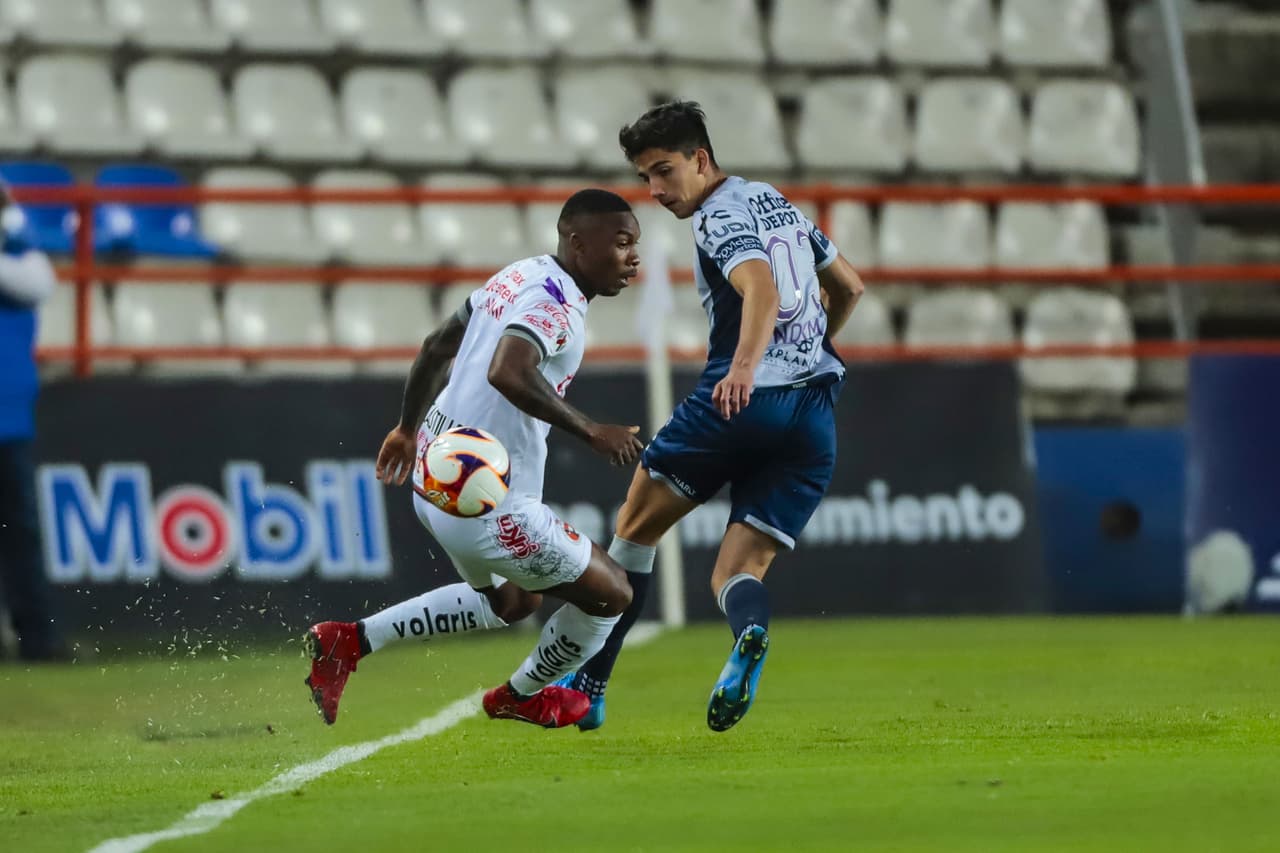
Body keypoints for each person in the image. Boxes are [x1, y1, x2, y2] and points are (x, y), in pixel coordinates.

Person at [559, 101, 866, 732]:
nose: (656, 190)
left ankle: (590, 686)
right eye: (646, 177)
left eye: (665, 171)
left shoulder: (720, 216)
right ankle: (749, 633)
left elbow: (762, 287)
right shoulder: (776, 202)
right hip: (814, 414)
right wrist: (808, 350)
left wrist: (749, 367)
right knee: (737, 572)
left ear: (702, 159)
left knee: (633, 531)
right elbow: (851, 286)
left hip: (741, 403)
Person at [304, 189, 645, 729]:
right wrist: (591, 431)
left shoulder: (519, 274)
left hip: (438, 475)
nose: (634, 258)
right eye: (623, 243)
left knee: (513, 603)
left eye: (636, 245)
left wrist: (407, 427)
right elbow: (507, 371)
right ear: (579, 244)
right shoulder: (553, 305)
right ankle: (520, 695)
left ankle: (350, 641)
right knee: (614, 595)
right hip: (491, 501)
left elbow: (439, 343)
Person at [0, 183, 67, 662]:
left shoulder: (18, 251)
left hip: (8, 417)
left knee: (20, 531)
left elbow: (39, 283)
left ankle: (37, 637)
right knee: (20, 529)